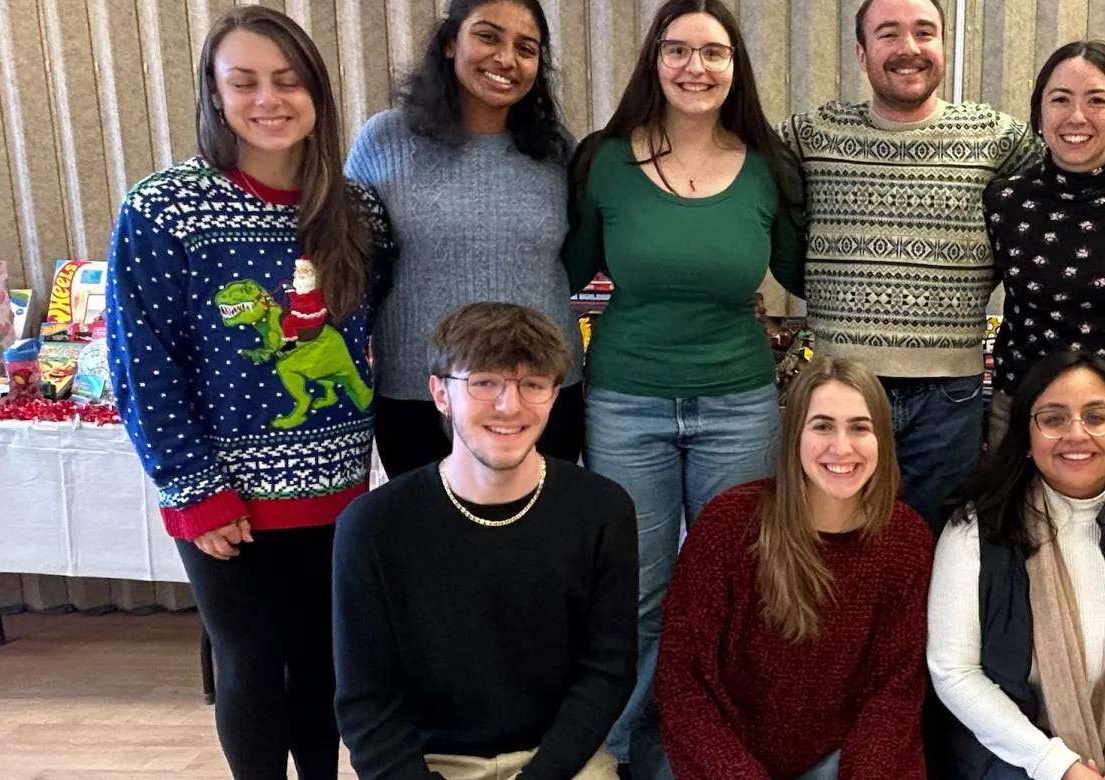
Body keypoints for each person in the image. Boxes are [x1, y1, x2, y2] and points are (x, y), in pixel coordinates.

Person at [105, 7, 390, 778]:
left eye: (288, 81)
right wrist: (195, 489)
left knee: (321, 661)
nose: (269, 99)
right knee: (253, 663)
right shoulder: (165, 207)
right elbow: (141, 361)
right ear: (214, 92)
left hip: (336, 485)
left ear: (317, 94)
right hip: (226, 499)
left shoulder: (357, 210)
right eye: (245, 82)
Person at [561, 0, 805, 773]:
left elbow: (805, 271)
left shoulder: (769, 166)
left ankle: (718, 748)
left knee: (734, 586)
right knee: (637, 590)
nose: (695, 67)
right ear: (653, 61)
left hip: (739, 404)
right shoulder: (605, 161)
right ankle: (619, 752)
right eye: (677, 50)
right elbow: (565, 271)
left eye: (713, 52)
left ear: (736, 66)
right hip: (626, 401)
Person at [333, 302, 635, 780]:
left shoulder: (602, 509)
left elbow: (607, 671)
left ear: (554, 395)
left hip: (560, 761)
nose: (509, 405)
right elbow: (365, 703)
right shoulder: (373, 525)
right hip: (431, 764)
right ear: (440, 393)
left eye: (532, 384)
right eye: (484, 382)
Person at [779, 0, 1046, 534]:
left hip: (948, 395)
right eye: (889, 34)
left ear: (943, 45)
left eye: (925, 32)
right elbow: (732, 162)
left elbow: (1076, 171)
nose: (909, 48)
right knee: (835, 544)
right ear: (861, 53)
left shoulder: (998, 138)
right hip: (842, 388)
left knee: (934, 546)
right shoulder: (810, 136)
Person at [929, 351, 1105, 780]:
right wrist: (1058, 767)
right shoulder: (974, 530)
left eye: (1096, 417)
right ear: (1026, 438)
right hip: (1011, 762)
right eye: (1054, 419)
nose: (1076, 434)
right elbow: (954, 670)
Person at [653, 358, 931, 780]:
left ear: (883, 440)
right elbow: (681, 678)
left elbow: (895, 691)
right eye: (823, 426)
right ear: (794, 434)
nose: (842, 447)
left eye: (860, 427)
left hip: (842, 758)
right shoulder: (729, 524)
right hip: (724, 756)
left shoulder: (906, 539)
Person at [347, 0, 587, 476]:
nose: (506, 58)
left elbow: (577, 256)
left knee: (542, 525)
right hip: (419, 395)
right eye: (488, 36)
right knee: (426, 526)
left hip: (539, 393)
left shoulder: (558, 150)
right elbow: (353, 260)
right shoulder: (385, 140)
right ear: (449, 42)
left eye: (526, 48)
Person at [982, 41, 1105, 468]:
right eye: (1060, 99)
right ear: (1039, 114)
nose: (1077, 117)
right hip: (1024, 407)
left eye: (1097, 100)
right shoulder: (1005, 200)